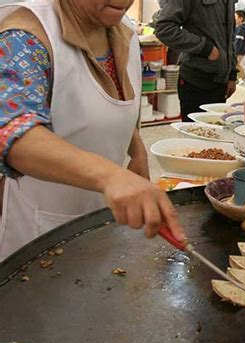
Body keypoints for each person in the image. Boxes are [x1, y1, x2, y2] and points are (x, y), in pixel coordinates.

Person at [0, 0, 186, 261]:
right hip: (38, 230)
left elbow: (107, 104)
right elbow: (12, 130)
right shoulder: (26, 36)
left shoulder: (123, 31)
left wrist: (136, 150)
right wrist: (111, 176)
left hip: (97, 217)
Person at [154, 0, 237, 122]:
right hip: (196, 81)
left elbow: (230, 36)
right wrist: (204, 48)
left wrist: (232, 74)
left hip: (221, 83)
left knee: (215, 133)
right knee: (195, 135)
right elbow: (164, 28)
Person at [235, 10, 245, 82]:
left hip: (239, 51)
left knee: (235, 64)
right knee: (236, 64)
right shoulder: (239, 27)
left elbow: (239, 41)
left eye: (235, 17)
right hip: (239, 50)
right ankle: (239, 77)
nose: (234, 18)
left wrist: (235, 51)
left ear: (241, 18)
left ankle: (243, 78)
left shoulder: (241, 28)